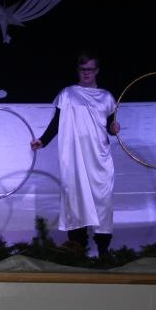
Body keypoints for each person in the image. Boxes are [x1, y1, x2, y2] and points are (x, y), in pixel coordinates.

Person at [30, 52, 120, 258]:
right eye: (82, 69)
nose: (86, 73)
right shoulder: (68, 94)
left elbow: (110, 126)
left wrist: (114, 129)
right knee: (76, 201)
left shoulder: (106, 97)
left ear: (97, 71)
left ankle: (103, 254)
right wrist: (42, 141)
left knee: (102, 203)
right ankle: (77, 253)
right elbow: (56, 123)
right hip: (74, 158)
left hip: (99, 158)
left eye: (90, 69)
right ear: (78, 71)